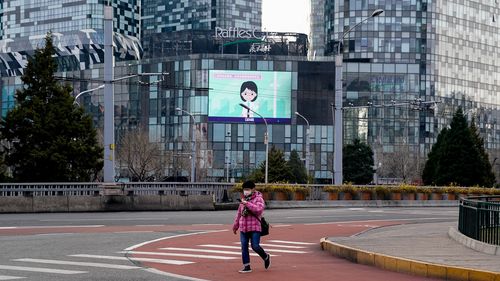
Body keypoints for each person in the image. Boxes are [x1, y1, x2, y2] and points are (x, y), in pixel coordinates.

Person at [232, 180, 271, 273]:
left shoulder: (259, 199)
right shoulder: (243, 199)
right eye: (244, 189)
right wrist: (235, 225)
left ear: (253, 189)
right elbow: (239, 214)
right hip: (243, 227)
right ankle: (247, 266)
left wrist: (247, 204)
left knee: (255, 246)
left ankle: (265, 256)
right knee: (244, 246)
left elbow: (259, 210)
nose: (245, 191)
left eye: (247, 189)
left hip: (255, 227)